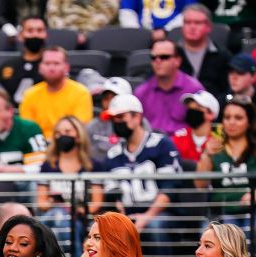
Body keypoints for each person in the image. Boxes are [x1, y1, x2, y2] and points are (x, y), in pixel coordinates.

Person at [90, 94, 183, 241]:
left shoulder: (161, 144)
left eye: (120, 117)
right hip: (127, 216)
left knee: (155, 226)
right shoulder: (112, 155)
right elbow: (113, 196)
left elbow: (169, 189)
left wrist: (147, 217)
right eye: (113, 118)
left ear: (137, 117)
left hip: (160, 214)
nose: (116, 122)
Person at [194, 98, 256, 237]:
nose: (231, 122)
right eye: (227, 117)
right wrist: (206, 155)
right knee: (217, 235)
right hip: (223, 211)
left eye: (238, 118)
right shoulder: (214, 148)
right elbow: (200, 185)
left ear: (249, 122)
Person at [37, 115, 92, 244]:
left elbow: (97, 203)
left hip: (80, 218)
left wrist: (77, 210)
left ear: (78, 136)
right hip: (53, 216)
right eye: (58, 133)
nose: (62, 136)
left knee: (69, 224)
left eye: (67, 132)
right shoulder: (48, 166)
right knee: (59, 216)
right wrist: (57, 204)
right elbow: (41, 202)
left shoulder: (92, 165)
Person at [18, 47, 94, 140]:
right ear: (40, 67)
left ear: (66, 67)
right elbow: (26, 130)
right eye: (47, 63)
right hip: (38, 147)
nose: (51, 68)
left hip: (68, 145)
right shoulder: (29, 94)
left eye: (56, 63)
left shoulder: (81, 93)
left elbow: (79, 130)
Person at [135, 39, 206, 135]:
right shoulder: (141, 92)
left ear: (178, 61)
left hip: (183, 147)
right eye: (153, 57)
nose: (157, 61)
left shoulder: (194, 90)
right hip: (151, 145)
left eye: (164, 57)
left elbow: (203, 127)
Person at [177, 3, 230, 99]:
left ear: (209, 27)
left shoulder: (222, 56)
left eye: (197, 23)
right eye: (188, 22)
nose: (192, 27)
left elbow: (228, 90)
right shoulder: (171, 55)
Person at [84, 77, 135, 163]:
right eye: (106, 98)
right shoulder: (93, 126)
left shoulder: (137, 123)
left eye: (115, 97)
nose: (110, 102)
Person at [0, 16, 49, 104]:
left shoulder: (52, 66)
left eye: (40, 30)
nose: (35, 35)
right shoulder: (8, 66)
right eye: (30, 31)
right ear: (20, 35)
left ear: (46, 35)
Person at [225, 53, 256, 123]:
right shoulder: (223, 101)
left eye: (240, 72)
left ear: (254, 76)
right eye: (231, 72)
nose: (234, 77)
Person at [171, 90, 219, 162]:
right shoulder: (179, 137)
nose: (192, 112)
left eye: (197, 108)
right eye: (190, 108)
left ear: (211, 114)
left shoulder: (219, 137)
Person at [47, 0, 119, 43]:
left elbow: (105, 14)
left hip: (94, 34)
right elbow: (52, 14)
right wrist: (67, 34)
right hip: (64, 32)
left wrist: (85, 33)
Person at [118, 0, 194, 35]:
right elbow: (127, 12)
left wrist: (166, 31)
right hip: (141, 36)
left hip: (175, 35)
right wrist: (139, 35)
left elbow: (190, 11)